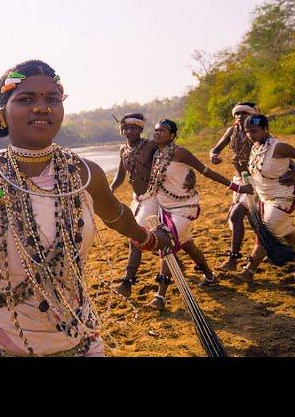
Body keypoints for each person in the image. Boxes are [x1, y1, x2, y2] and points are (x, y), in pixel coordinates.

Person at [0, 59, 170, 357]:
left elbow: (117, 216)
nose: (42, 107)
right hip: (6, 342)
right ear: (2, 113)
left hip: (80, 337)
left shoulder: (84, 174)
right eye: (26, 99)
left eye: (52, 99)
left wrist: (150, 239)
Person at [144, 119, 254, 310]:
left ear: (172, 135)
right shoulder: (156, 153)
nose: (158, 132)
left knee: (165, 242)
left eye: (163, 130)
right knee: (186, 243)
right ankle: (210, 276)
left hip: (184, 208)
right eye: (156, 129)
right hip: (165, 209)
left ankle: (160, 296)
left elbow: (206, 171)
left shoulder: (180, 152)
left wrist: (238, 187)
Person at [236, 114, 295, 282]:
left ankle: (249, 270)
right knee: (288, 234)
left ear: (265, 129)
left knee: (265, 232)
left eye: (254, 131)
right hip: (263, 198)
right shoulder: (255, 147)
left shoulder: (279, 147)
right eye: (247, 132)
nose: (250, 135)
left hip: (282, 197)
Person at [109, 113, 159, 297]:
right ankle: (175, 263)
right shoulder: (123, 150)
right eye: (126, 128)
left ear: (140, 129)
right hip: (137, 199)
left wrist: (188, 175)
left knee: (135, 238)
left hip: (153, 197)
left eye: (134, 128)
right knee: (154, 238)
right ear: (122, 130)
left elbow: (173, 155)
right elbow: (121, 175)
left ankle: (127, 283)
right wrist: (111, 188)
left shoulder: (151, 146)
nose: (130, 131)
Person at [209, 102, 258, 271]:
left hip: (255, 182)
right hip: (239, 180)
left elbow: (273, 149)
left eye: (244, 113)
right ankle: (267, 251)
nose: (239, 117)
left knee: (236, 216)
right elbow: (215, 149)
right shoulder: (232, 131)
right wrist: (213, 155)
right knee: (253, 221)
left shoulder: (257, 132)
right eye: (237, 114)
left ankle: (233, 260)